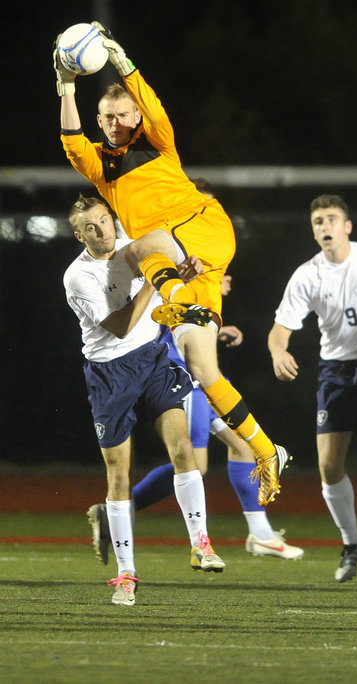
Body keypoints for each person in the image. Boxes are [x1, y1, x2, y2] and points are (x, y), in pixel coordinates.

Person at [53, 22, 287, 506]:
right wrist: (67, 84)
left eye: (122, 115)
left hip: (201, 228)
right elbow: (72, 142)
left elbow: (153, 106)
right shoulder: (103, 168)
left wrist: (121, 60)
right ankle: (269, 452)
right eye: (107, 117)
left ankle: (177, 302)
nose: (114, 124)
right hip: (184, 264)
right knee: (203, 368)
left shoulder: (157, 142)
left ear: (135, 115)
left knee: (136, 248)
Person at [64, 195, 225, 606]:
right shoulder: (78, 276)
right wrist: (154, 284)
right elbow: (119, 327)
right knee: (119, 474)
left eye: (105, 220)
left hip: (152, 358)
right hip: (109, 374)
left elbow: (166, 289)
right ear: (78, 234)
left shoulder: (135, 244)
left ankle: (201, 543)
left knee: (183, 448)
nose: (103, 231)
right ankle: (126, 574)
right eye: (91, 227)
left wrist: (180, 276)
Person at [88, 273, 304, 563]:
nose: (226, 275)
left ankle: (261, 535)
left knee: (242, 447)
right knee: (194, 464)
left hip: (206, 384)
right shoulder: (180, 283)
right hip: (186, 380)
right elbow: (164, 317)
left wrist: (217, 329)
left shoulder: (193, 289)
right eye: (221, 270)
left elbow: (182, 321)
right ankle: (120, 509)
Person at [268, 194, 357, 586]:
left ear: (347, 226)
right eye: (317, 221)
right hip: (337, 373)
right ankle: (353, 544)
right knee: (329, 465)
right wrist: (278, 351)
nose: (324, 226)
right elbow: (280, 330)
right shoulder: (308, 275)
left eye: (331, 219)